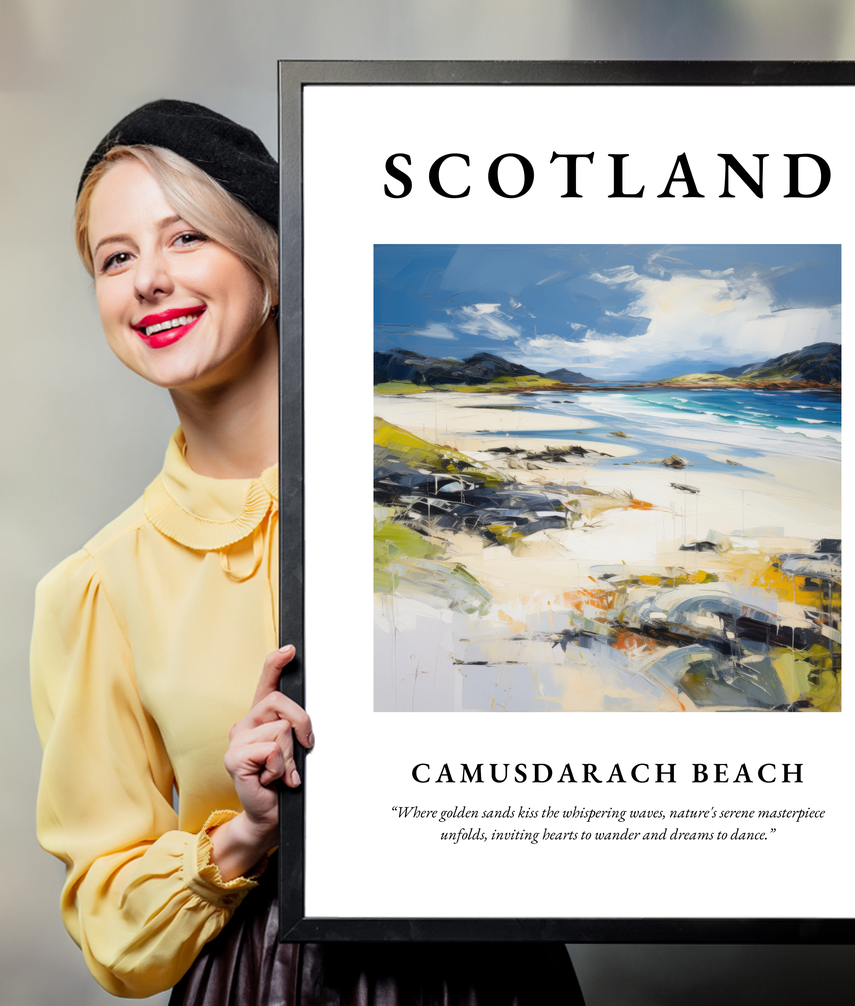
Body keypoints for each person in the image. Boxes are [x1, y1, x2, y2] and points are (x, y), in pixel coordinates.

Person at [30, 100, 585, 1004]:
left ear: (273, 264)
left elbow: (608, 699)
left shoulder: (446, 496)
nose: (148, 281)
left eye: (186, 239)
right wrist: (245, 832)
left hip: (493, 973)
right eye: (116, 257)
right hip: (263, 981)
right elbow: (110, 924)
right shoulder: (97, 586)